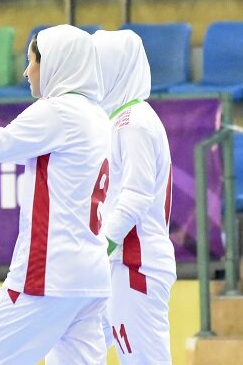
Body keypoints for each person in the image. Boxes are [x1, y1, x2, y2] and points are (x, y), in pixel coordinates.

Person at [0, 25, 113, 364]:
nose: (25, 71)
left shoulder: (59, 111)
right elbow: (1, 143)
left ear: (56, 63)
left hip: (48, 276)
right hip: (89, 278)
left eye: (32, 61)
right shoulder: (95, 115)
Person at [92, 30, 176, 365]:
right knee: (77, 346)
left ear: (116, 70)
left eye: (97, 68)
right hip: (119, 265)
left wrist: (101, 247)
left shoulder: (133, 122)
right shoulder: (118, 121)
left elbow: (136, 196)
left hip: (134, 264)